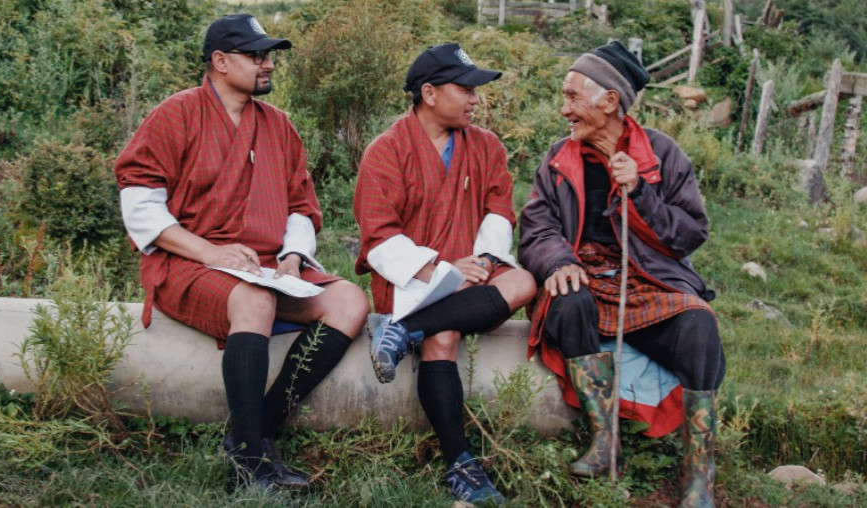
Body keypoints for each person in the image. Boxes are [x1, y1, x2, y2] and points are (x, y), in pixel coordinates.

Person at [113, 14, 369, 492]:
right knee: (255, 299)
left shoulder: (278, 125)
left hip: (265, 266)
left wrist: (293, 256)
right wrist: (209, 252)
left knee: (350, 301)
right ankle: (250, 468)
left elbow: (300, 205)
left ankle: (253, 434)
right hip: (188, 263)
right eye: (255, 56)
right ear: (220, 61)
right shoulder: (176, 114)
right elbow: (141, 206)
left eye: (268, 56)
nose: (267, 64)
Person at [518, 41, 724, 507]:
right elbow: (536, 227)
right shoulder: (559, 158)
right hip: (585, 277)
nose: (564, 109)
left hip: (648, 281)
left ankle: (699, 473)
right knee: (568, 299)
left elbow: (689, 234)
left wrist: (642, 192)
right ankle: (604, 441)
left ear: (609, 101)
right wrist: (559, 261)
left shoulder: (663, 154)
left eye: (572, 96)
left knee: (699, 326)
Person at [354, 42, 537, 505]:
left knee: (522, 281)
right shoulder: (386, 150)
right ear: (430, 93)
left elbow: (499, 209)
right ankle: (459, 463)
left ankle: (402, 331)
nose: (475, 98)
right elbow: (378, 234)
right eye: (466, 89)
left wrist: (486, 260)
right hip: (412, 278)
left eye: (476, 90)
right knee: (445, 336)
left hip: (474, 270)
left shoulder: (486, 145)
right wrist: (438, 268)